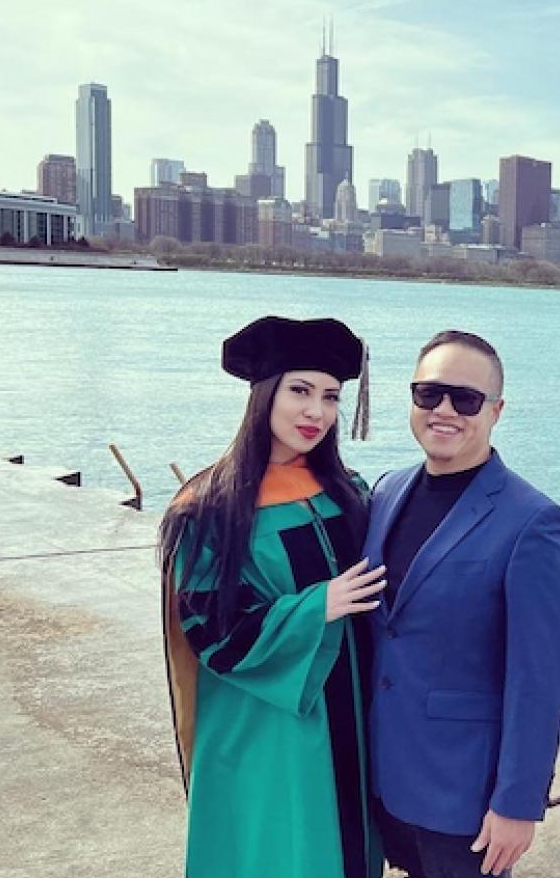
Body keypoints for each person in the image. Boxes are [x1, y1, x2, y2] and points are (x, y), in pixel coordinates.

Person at [159, 315, 389, 878]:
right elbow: (212, 634)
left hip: (353, 720)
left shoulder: (350, 490)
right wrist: (318, 606)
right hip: (271, 726)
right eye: (301, 391)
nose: (317, 412)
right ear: (264, 395)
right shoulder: (208, 508)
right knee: (284, 855)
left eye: (332, 397)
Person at [365, 330, 560, 877]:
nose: (444, 411)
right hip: (380, 778)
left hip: (464, 796)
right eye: (428, 393)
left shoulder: (533, 522)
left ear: (496, 410)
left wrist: (518, 803)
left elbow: (541, 679)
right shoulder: (386, 492)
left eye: (466, 399)